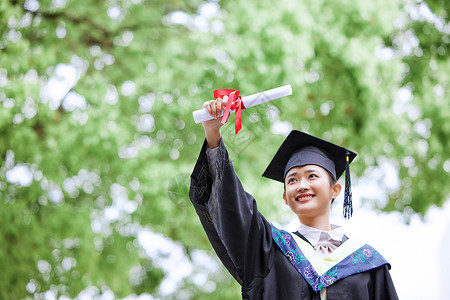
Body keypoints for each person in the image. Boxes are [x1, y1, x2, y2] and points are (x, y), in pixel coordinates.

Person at [189, 96, 399, 299]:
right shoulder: (269, 250)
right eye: (292, 180)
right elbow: (235, 210)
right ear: (285, 198)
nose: (302, 185)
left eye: (312, 176)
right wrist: (213, 137)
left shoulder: (368, 264)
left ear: (335, 190)